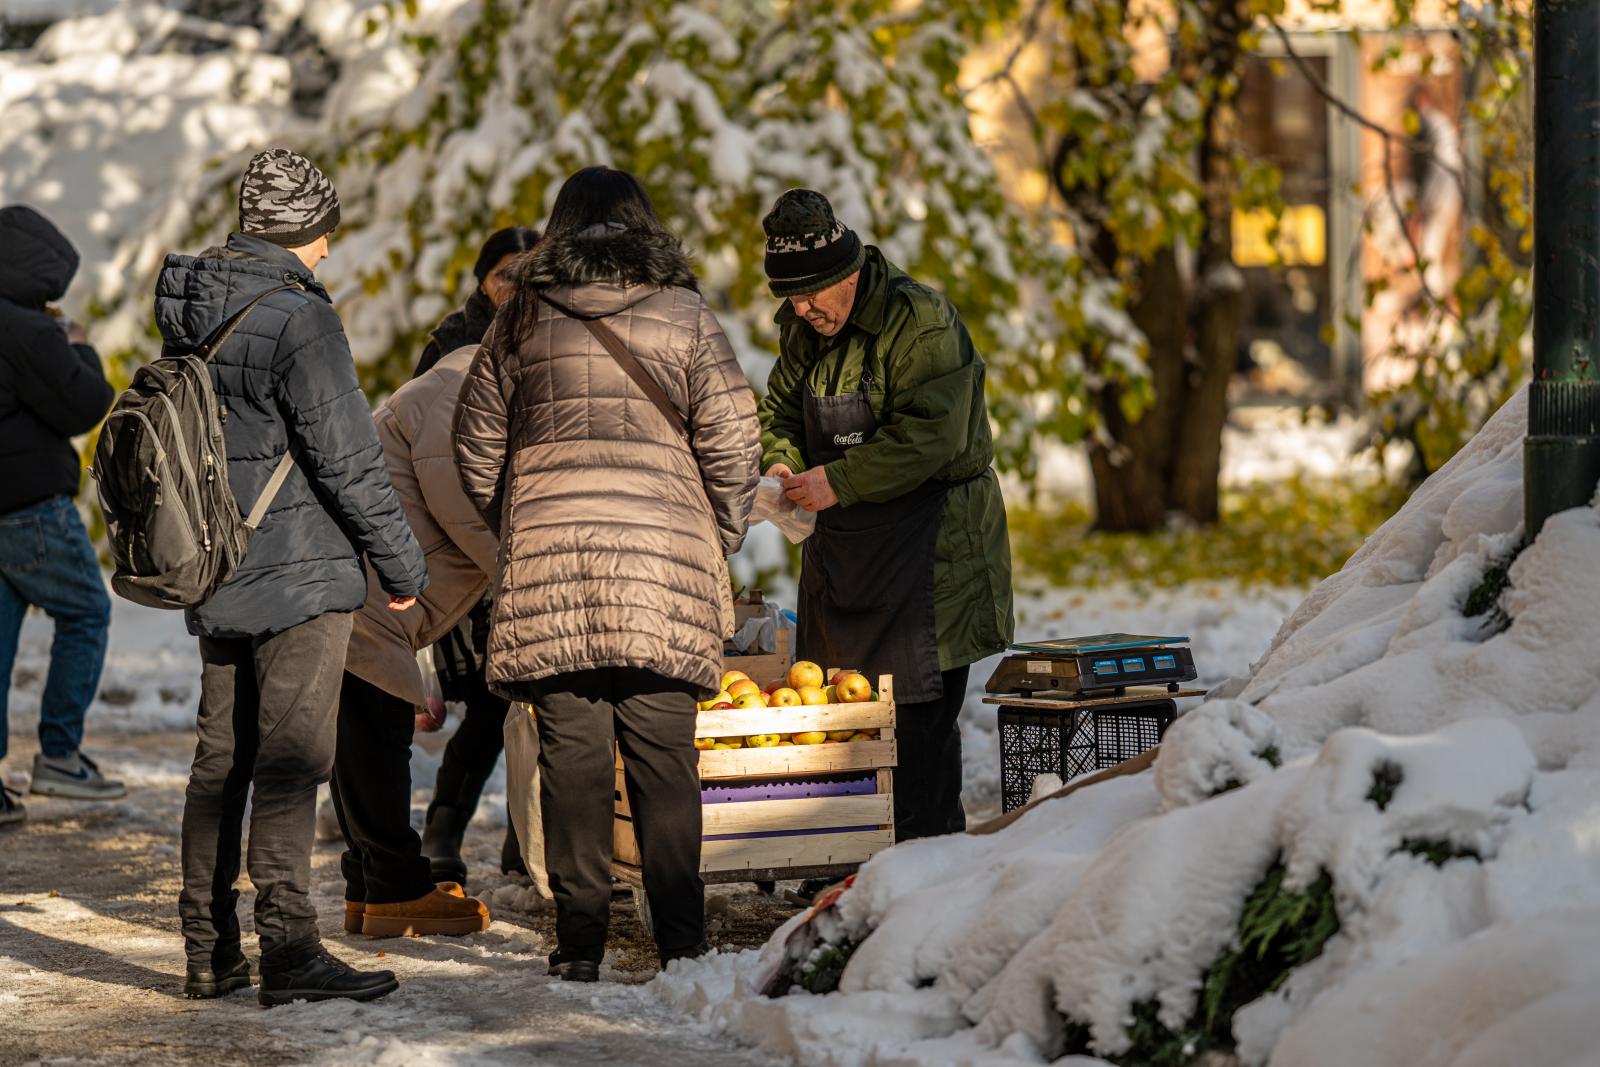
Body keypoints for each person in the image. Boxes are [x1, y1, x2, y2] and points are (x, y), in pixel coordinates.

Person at [454, 166, 760, 981]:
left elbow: (476, 445)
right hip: (661, 561)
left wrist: (519, 526)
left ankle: (579, 945)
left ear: (559, 228)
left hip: (554, 561)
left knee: (575, 759)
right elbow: (734, 441)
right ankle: (683, 943)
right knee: (665, 758)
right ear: (644, 224)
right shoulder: (687, 314)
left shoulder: (518, 317)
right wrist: (715, 532)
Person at [156, 148, 428, 1006]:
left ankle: (208, 949)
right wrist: (401, 562)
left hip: (214, 558)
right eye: (321, 238)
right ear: (302, 232)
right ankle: (290, 950)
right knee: (291, 760)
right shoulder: (301, 318)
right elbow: (348, 458)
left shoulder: (194, 303)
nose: (325, 254)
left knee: (220, 762)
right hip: (300, 571)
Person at [756, 188, 1014, 848]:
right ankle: (846, 856)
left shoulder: (918, 321)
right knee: (838, 719)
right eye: (792, 298)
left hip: (928, 553)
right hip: (846, 557)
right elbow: (781, 410)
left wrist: (840, 479)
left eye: (813, 294)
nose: (804, 309)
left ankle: (927, 863)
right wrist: (784, 466)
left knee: (918, 724)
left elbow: (935, 435)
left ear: (847, 273)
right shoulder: (804, 329)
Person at [334, 343, 498, 940]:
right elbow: (469, 511)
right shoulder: (461, 389)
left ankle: (369, 885)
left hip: (371, 584)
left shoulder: (471, 381)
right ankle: (397, 889)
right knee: (376, 735)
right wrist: (535, 579)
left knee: (362, 735)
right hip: (371, 589)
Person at [413, 226, 540, 886]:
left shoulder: (551, 332)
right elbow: (425, 443)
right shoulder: (452, 342)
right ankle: (444, 829)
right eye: (504, 274)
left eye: (528, 273)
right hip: (470, 545)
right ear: (481, 278)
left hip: (534, 536)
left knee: (536, 697)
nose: (516, 286)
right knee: (493, 699)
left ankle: (528, 840)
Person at [0, 205, 122, 827]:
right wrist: (83, 348)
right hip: (30, 507)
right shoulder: (29, 331)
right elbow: (84, 405)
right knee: (87, 612)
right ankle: (58, 753)